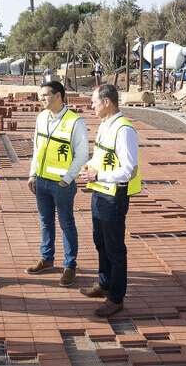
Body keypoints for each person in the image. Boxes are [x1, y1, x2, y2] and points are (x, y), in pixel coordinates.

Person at [78, 84, 140, 317]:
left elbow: (128, 170)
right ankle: (104, 284)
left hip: (114, 196)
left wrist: (98, 175)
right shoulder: (106, 125)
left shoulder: (124, 130)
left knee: (115, 249)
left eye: (94, 101)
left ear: (107, 102)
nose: (91, 105)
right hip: (99, 192)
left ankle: (116, 298)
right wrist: (90, 167)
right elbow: (103, 156)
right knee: (100, 242)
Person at [25, 80, 89, 287]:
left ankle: (69, 266)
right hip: (41, 181)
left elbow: (82, 155)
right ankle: (47, 259)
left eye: (45, 95)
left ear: (58, 95)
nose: (41, 98)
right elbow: (37, 148)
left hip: (61, 185)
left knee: (66, 224)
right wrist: (32, 174)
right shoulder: (41, 117)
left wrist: (66, 180)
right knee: (45, 222)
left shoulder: (75, 122)